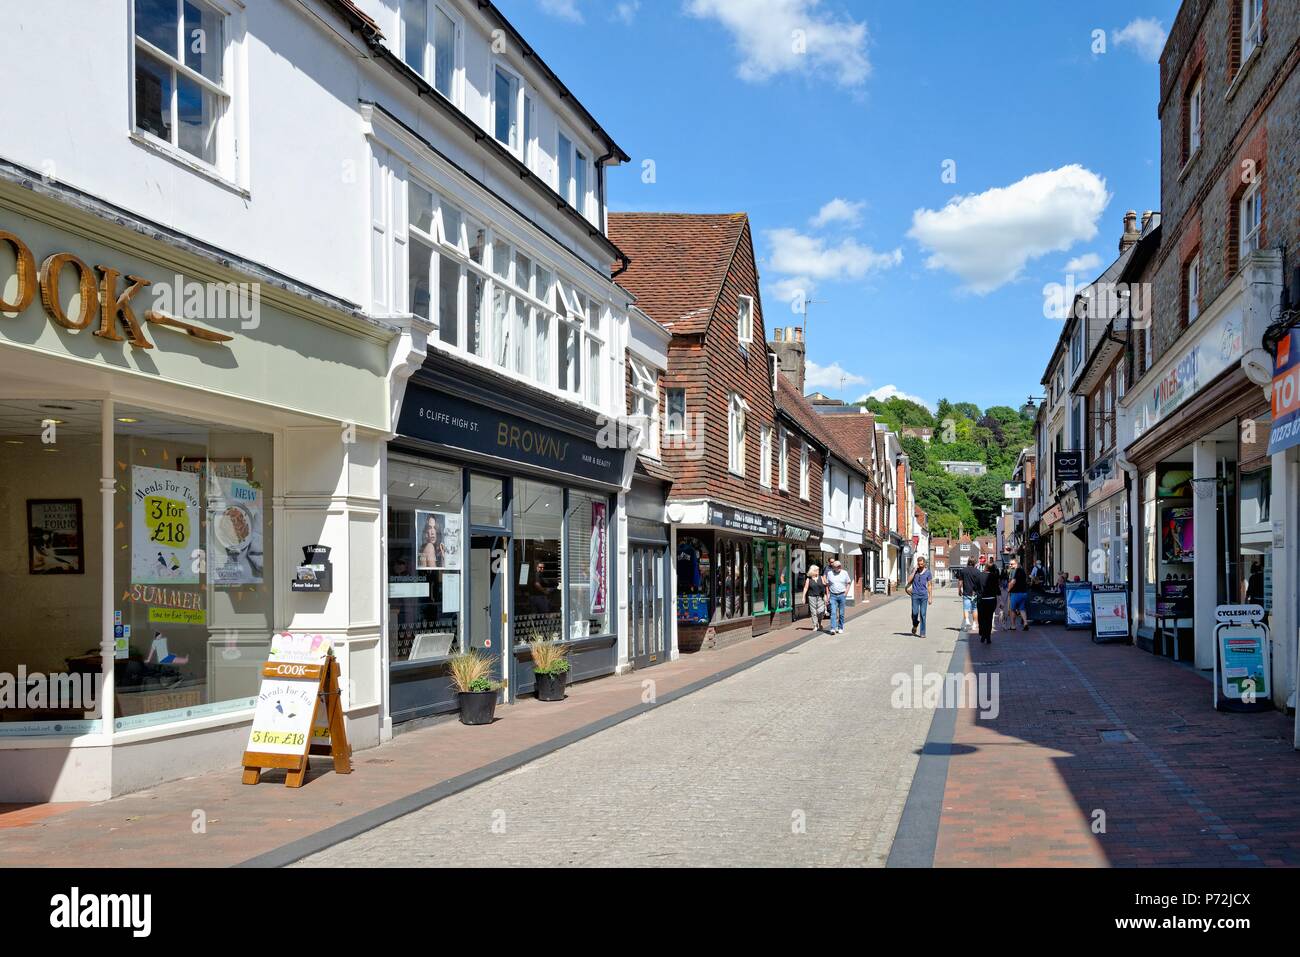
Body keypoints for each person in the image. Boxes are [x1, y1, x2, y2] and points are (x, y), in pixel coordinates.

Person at [905, 557, 933, 638]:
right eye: (919, 564)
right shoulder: (915, 571)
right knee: (914, 613)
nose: (920, 566)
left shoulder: (928, 572)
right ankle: (915, 624)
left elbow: (930, 585)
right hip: (915, 595)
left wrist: (930, 597)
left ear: (924, 563)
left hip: (924, 596)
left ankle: (922, 632)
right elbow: (909, 580)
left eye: (921, 564)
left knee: (923, 614)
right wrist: (914, 571)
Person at [825, 558, 852, 634]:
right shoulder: (830, 573)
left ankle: (840, 627)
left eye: (840, 566)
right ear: (833, 567)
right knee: (833, 612)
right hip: (833, 595)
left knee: (841, 613)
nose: (839, 567)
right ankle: (833, 628)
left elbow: (848, 583)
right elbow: (827, 585)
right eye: (837, 566)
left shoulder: (844, 573)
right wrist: (828, 595)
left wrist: (846, 593)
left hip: (841, 595)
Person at [976, 560, 1001, 644]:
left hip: (981, 600)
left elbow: (975, 588)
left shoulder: (979, 575)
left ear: (985, 567)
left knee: (982, 618)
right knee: (989, 618)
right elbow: (998, 590)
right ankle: (988, 636)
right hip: (991, 600)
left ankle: (983, 634)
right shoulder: (994, 576)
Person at [802, 563, 827, 632]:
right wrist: (803, 597)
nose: (818, 571)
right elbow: (805, 588)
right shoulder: (808, 579)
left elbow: (825, 587)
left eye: (818, 570)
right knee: (813, 612)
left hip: (820, 597)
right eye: (817, 570)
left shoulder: (821, 577)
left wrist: (826, 595)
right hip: (811, 596)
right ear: (813, 571)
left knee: (820, 611)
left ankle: (819, 622)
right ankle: (815, 625)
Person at [955, 557, 979, 630]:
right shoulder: (977, 571)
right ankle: (974, 624)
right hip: (974, 593)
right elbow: (979, 583)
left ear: (968, 562)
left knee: (966, 608)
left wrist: (959, 590)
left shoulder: (963, 571)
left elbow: (960, 582)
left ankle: (967, 621)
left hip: (966, 592)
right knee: (974, 608)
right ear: (975, 563)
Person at [1008, 558, 1030, 631]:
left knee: (1012, 609)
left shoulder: (1016, 571)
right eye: (1010, 564)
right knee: (1022, 609)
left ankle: (1013, 626)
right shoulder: (1023, 571)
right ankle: (1025, 623)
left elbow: (1013, 581)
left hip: (1016, 593)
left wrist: (1008, 589)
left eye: (1012, 564)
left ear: (1016, 564)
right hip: (1023, 593)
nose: (1010, 565)